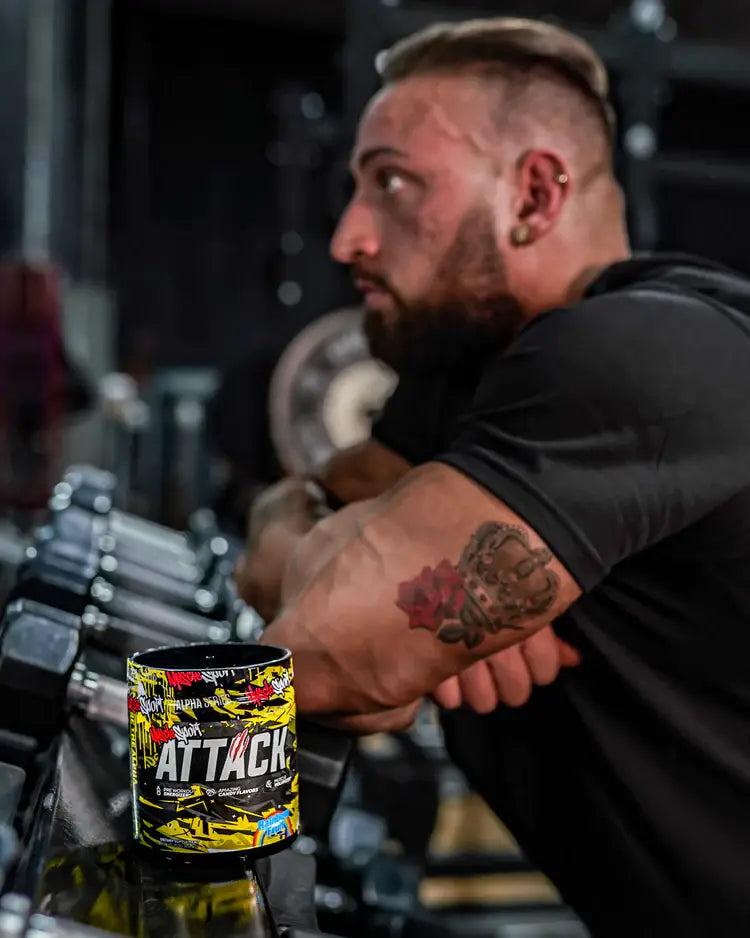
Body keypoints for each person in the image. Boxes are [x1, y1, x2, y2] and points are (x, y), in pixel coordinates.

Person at [259, 16, 750, 936]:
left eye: (392, 183)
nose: (348, 238)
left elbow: (312, 655)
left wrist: (394, 585)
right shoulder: (468, 368)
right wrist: (409, 583)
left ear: (534, 193)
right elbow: (294, 524)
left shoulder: (632, 355)